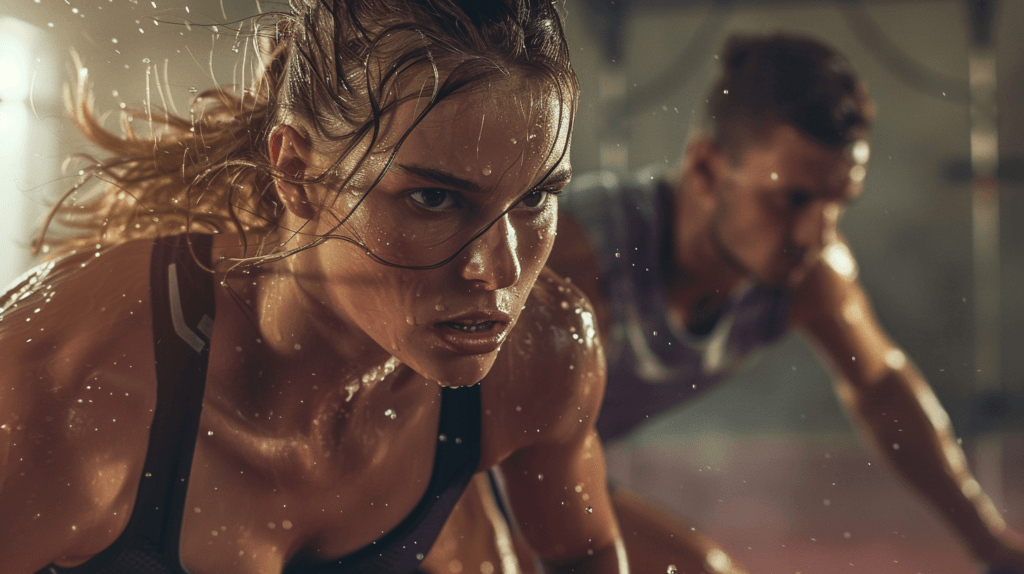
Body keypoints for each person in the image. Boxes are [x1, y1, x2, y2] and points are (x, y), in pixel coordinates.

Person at [0, 1, 630, 573]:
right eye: (434, 198)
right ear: (296, 172)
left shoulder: (542, 354)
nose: (499, 270)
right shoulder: (65, 400)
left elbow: (586, 554)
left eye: (536, 197)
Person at [432, 33, 1024, 574]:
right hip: (437, 476)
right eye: (791, 199)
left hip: (546, 478)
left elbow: (882, 389)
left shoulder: (808, 273)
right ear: (708, 167)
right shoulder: (579, 260)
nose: (813, 233)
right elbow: (440, 418)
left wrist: (991, 545)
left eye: (836, 202)